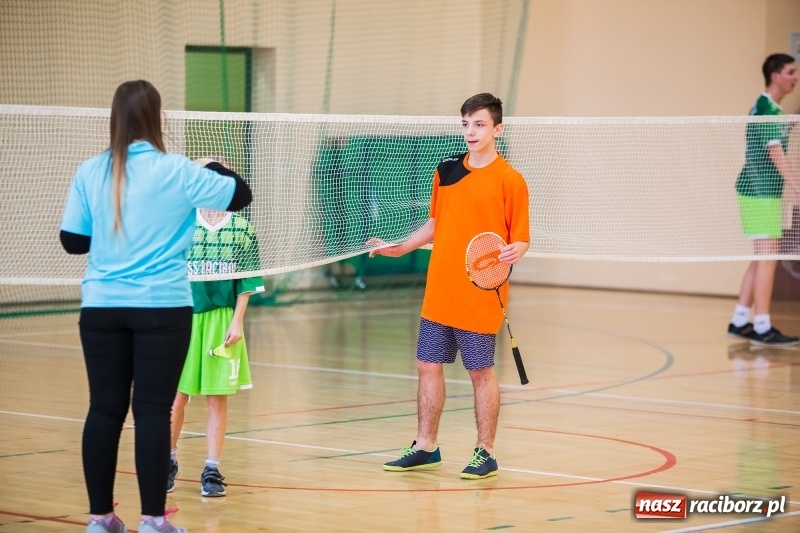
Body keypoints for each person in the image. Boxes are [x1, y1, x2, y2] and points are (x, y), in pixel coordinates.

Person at [60, 80, 252, 533]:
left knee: (103, 408)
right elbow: (240, 194)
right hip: (162, 308)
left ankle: (100, 518)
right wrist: (211, 169)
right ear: (158, 119)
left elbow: (72, 241)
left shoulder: (91, 171)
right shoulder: (179, 171)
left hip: (102, 306)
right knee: (151, 410)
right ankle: (152, 521)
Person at [368, 93, 530, 479]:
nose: (471, 132)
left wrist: (514, 252)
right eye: (465, 124)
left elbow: (521, 238)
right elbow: (435, 223)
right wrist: (401, 246)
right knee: (427, 366)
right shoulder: (446, 171)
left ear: (497, 129)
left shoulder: (511, 180)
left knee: (480, 372)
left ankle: (485, 452)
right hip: (439, 290)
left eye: (479, 124)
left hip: (480, 291)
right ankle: (426, 445)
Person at [168, 162, 265, 497]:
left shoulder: (242, 228)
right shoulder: (180, 224)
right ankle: (167, 459)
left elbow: (247, 281)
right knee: (176, 397)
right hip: (183, 318)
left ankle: (212, 468)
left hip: (222, 319)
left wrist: (237, 321)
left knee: (215, 400)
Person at [729, 53, 799, 346]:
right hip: (759, 193)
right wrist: (797, 186)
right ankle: (762, 327)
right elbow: (775, 152)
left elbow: (779, 139)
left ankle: (740, 320)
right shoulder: (765, 108)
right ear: (775, 75)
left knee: (761, 258)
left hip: (764, 192)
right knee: (768, 258)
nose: (795, 77)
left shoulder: (773, 110)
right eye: (791, 72)